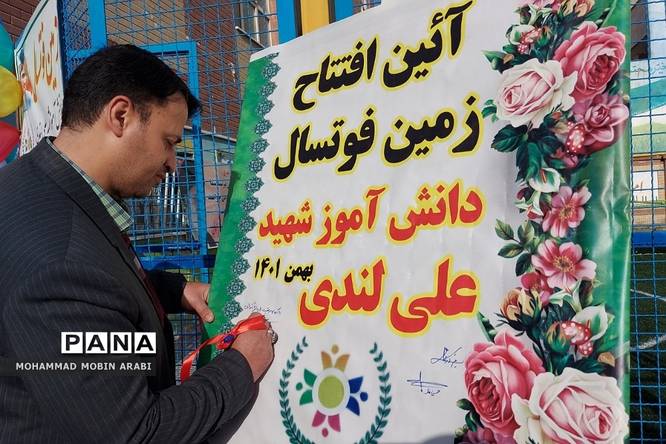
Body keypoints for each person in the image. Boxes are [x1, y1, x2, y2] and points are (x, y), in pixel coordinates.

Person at [0, 44, 275, 443]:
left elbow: (97, 294)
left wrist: (172, 292)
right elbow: (136, 432)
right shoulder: (61, 262)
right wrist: (242, 365)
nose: (172, 163)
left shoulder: (34, 187)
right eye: (169, 141)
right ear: (120, 116)